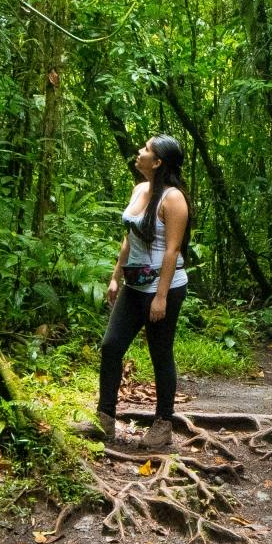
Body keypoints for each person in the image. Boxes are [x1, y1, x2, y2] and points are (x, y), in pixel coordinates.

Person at [75, 135, 190, 449]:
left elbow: (172, 249)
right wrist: (115, 276)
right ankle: (105, 419)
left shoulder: (173, 198)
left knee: (160, 353)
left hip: (162, 286)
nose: (139, 152)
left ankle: (163, 423)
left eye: (145, 150)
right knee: (111, 346)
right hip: (133, 285)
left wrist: (162, 296)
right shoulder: (140, 188)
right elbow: (130, 238)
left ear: (158, 162)